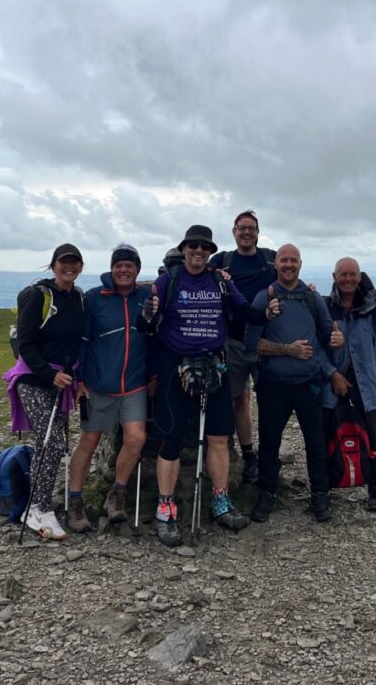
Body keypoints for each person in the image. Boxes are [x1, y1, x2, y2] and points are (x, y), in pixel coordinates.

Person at [140, 224, 280, 546]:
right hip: (175, 370)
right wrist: (146, 314)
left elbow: (244, 312)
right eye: (194, 246)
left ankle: (221, 502)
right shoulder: (169, 280)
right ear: (184, 249)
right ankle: (165, 510)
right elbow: (146, 324)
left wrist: (267, 313)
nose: (199, 251)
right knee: (171, 440)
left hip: (215, 368)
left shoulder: (219, 281)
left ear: (210, 252)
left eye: (205, 247)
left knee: (218, 438)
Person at [243, 244, 345, 523]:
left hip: (309, 384)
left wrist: (338, 340)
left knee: (316, 442)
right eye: (284, 260)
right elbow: (250, 344)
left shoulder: (312, 297)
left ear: (300, 264)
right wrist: (288, 350)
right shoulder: (264, 298)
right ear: (276, 264)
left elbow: (328, 336)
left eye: (293, 260)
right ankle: (267, 494)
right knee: (269, 443)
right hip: (272, 385)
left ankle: (320, 495)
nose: (288, 265)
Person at [66, 244, 154, 532]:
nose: (124, 270)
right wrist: (79, 380)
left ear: (137, 270)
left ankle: (117, 494)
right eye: (119, 265)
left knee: (136, 438)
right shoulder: (94, 298)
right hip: (99, 386)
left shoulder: (147, 297)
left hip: (134, 385)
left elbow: (154, 339)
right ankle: (75, 501)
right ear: (112, 268)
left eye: (129, 265)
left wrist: (153, 375)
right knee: (88, 441)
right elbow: (81, 341)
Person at [9, 243, 85, 539]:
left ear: (81, 267)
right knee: (53, 443)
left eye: (75, 262)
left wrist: (75, 378)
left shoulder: (77, 298)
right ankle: (41, 507)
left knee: (47, 444)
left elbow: (77, 342)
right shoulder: (39, 296)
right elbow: (25, 344)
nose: (69, 267)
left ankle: (36, 506)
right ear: (53, 266)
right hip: (33, 379)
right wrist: (49, 374)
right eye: (64, 262)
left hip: (61, 380)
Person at [322, 255, 376, 512]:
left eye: (352, 274)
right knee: (327, 433)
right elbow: (317, 345)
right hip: (334, 380)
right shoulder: (325, 307)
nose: (348, 279)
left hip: (366, 381)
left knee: (375, 435)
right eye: (343, 274)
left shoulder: (373, 305)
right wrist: (332, 373)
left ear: (359, 278)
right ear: (335, 277)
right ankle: (324, 487)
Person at [208, 210, 277, 484]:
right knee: (237, 399)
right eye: (242, 228)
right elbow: (198, 276)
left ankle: (268, 458)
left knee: (270, 403)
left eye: (251, 228)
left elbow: (288, 280)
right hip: (233, 341)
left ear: (258, 233)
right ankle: (246, 454)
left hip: (265, 342)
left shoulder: (270, 259)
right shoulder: (221, 261)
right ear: (234, 232)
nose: (246, 232)